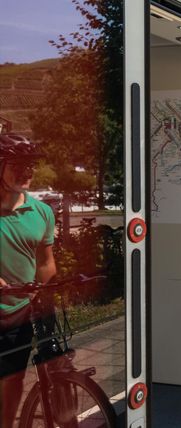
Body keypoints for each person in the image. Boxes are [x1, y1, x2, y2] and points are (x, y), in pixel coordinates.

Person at [0, 133, 57, 427]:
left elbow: (46, 263)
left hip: (17, 312)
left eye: (30, 165)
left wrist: (44, 295)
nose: (26, 172)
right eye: (17, 164)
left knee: (12, 380)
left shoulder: (42, 212)